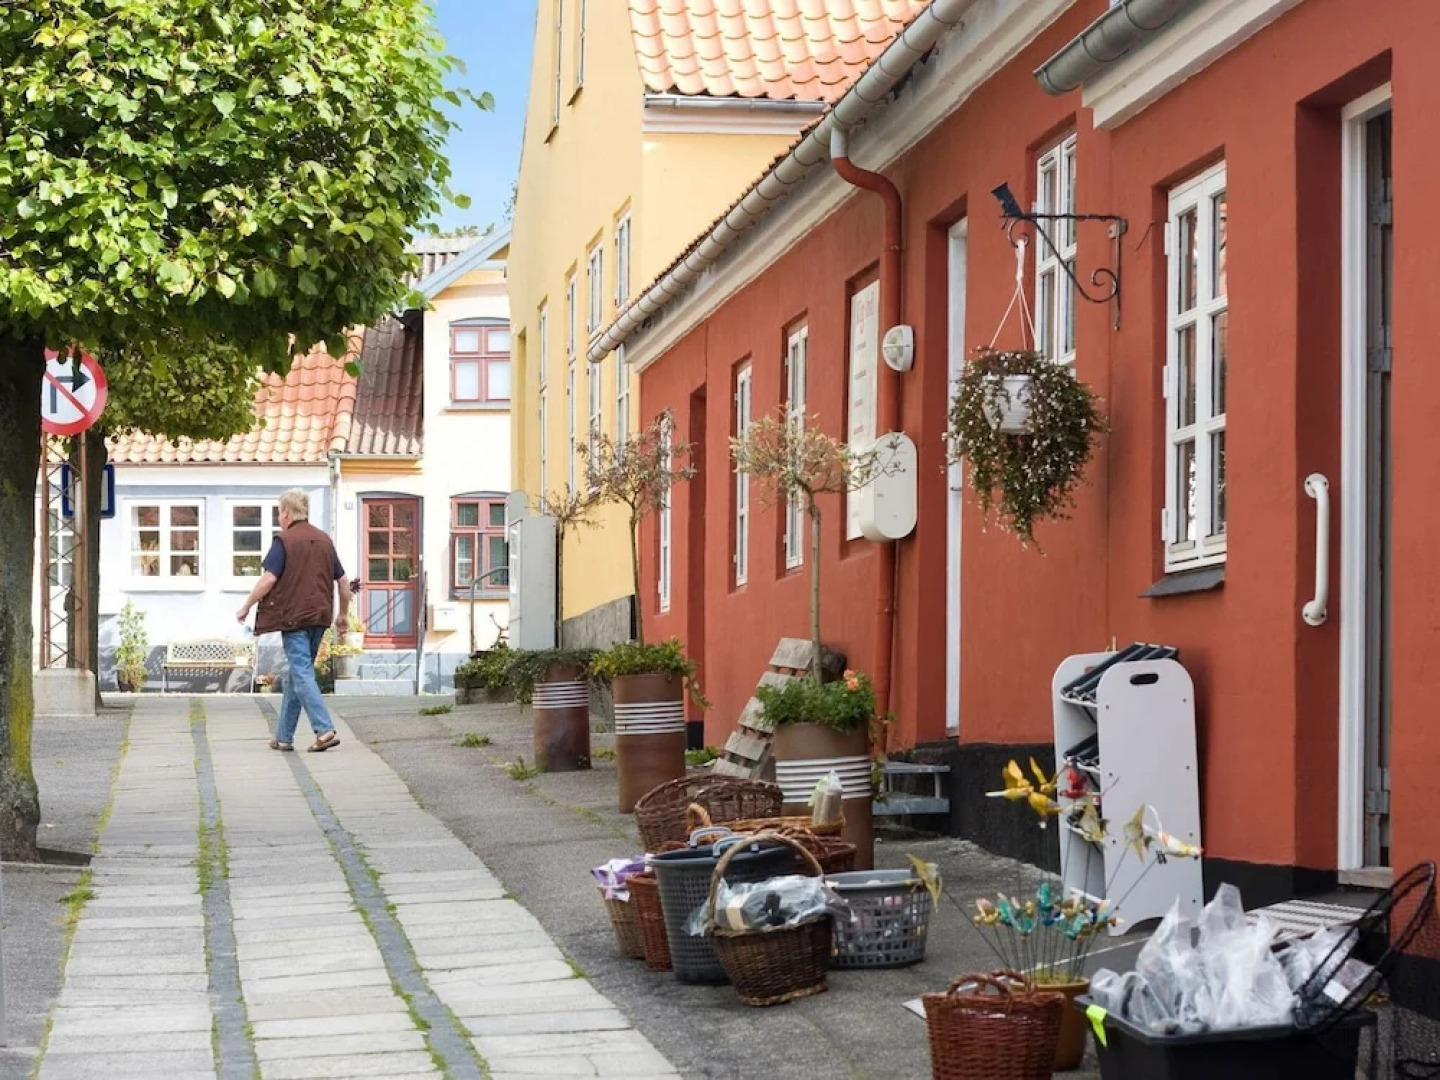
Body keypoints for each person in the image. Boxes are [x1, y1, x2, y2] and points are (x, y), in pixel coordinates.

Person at [236, 490, 351, 752]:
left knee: (301, 672)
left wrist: (246, 606)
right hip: (320, 617)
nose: (280, 517)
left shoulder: (284, 540)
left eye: (279, 512)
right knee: (297, 674)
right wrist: (343, 615)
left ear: (286, 512)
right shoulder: (324, 540)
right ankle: (284, 736)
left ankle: (324, 729)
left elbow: (269, 579)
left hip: (294, 619)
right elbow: (343, 582)